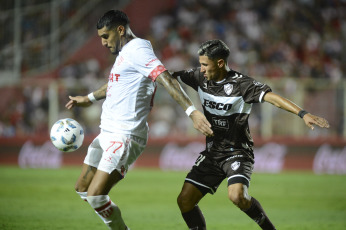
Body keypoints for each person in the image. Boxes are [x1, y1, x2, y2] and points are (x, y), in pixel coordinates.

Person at [65, 10, 213, 230]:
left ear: (120, 30)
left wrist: (191, 111)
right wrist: (88, 98)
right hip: (107, 133)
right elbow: (116, 84)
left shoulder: (137, 50)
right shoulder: (126, 54)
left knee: (96, 196)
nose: (103, 43)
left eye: (106, 36)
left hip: (125, 135)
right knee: (82, 189)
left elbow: (165, 78)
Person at [173, 39, 330, 230]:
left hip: (237, 151)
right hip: (213, 153)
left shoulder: (242, 84)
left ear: (220, 63)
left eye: (205, 64)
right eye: (200, 64)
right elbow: (168, 78)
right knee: (185, 201)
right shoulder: (198, 78)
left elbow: (274, 99)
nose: (202, 69)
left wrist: (303, 114)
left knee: (237, 196)